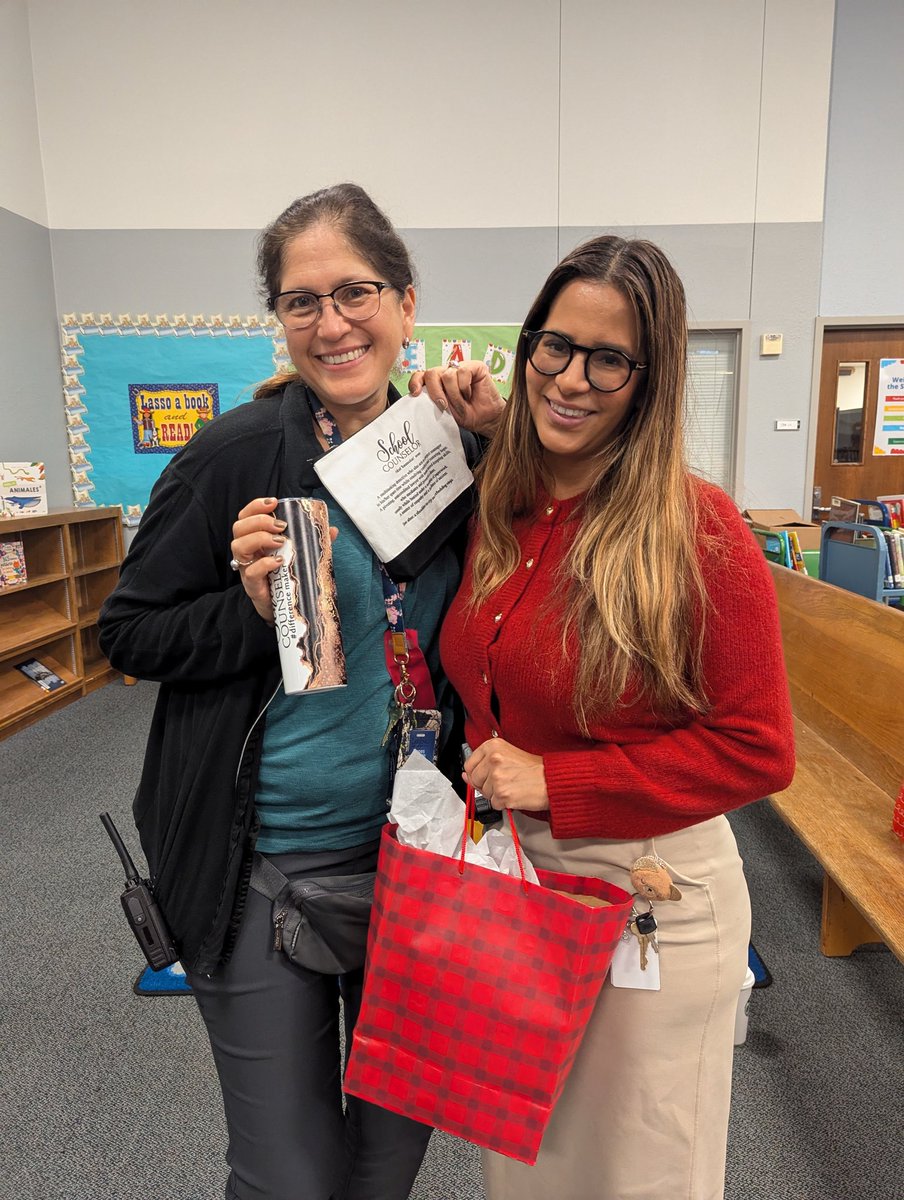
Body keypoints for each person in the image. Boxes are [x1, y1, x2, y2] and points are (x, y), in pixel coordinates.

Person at [98, 182, 481, 1200]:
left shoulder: (459, 457)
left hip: (419, 852)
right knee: (289, 1175)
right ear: (279, 318)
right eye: (299, 300)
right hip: (262, 858)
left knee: (388, 1157)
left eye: (353, 291)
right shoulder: (233, 456)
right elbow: (125, 635)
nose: (330, 322)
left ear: (404, 303)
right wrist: (247, 607)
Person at [413, 235, 795, 1199]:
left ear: (650, 377)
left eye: (608, 359)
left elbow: (759, 749)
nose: (571, 379)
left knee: (634, 1176)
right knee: (528, 1166)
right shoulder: (510, 505)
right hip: (522, 885)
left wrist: (556, 780)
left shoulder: (698, 532)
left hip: (648, 903)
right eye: (554, 346)